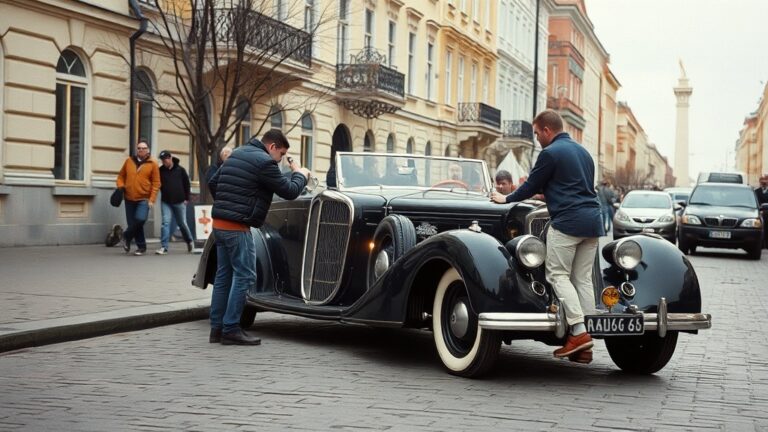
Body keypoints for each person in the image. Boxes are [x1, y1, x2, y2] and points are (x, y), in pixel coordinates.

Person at [491, 110, 604, 364]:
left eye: (537, 133)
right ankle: (585, 342)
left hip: (568, 222)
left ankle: (578, 331)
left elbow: (531, 185)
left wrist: (505, 198)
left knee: (557, 275)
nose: (537, 138)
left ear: (546, 130)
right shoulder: (583, 152)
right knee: (582, 279)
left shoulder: (550, 153)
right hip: (592, 222)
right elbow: (573, 185)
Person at [208, 129, 310, 345]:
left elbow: (213, 182)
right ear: (272, 147)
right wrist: (301, 173)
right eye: (281, 154)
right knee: (245, 276)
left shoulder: (236, 153)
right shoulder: (265, 162)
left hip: (219, 224)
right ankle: (231, 329)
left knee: (223, 276)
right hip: (237, 228)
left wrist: (228, 205)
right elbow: (290, 191)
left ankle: (216, 329)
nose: (281, 160)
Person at [116, 140, 161, 256]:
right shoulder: (129, 161)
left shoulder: (153, 164)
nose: (141, 150)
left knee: (140, 220)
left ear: (148, 150)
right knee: (134, 223)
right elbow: (121, 176)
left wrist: (152, 199)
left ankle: (126, 236)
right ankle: (141, 247)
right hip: (129, 198)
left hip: (144, 198)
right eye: (139, 148)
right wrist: (121, 187)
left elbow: (156, 183)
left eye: (143, 148)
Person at [155, 150, 194, 255]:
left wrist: (187, 198)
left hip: (180, 201)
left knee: (182, 223)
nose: (164, 162)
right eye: (162, 160)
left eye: (166, 159)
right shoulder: (160, 170)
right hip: (166, 201)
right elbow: (156, 183)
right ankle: (164, 247)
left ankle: (189, 241)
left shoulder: (180, 170)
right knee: (165, 223)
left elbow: (187, 184)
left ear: (170, 158)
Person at [755, 174, 768, 248]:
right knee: (761, 228)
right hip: (760, 213)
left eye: (766, 180)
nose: (764, 182)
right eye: (762, 180)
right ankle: (762, 244)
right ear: (759, 181)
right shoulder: (756, 191)